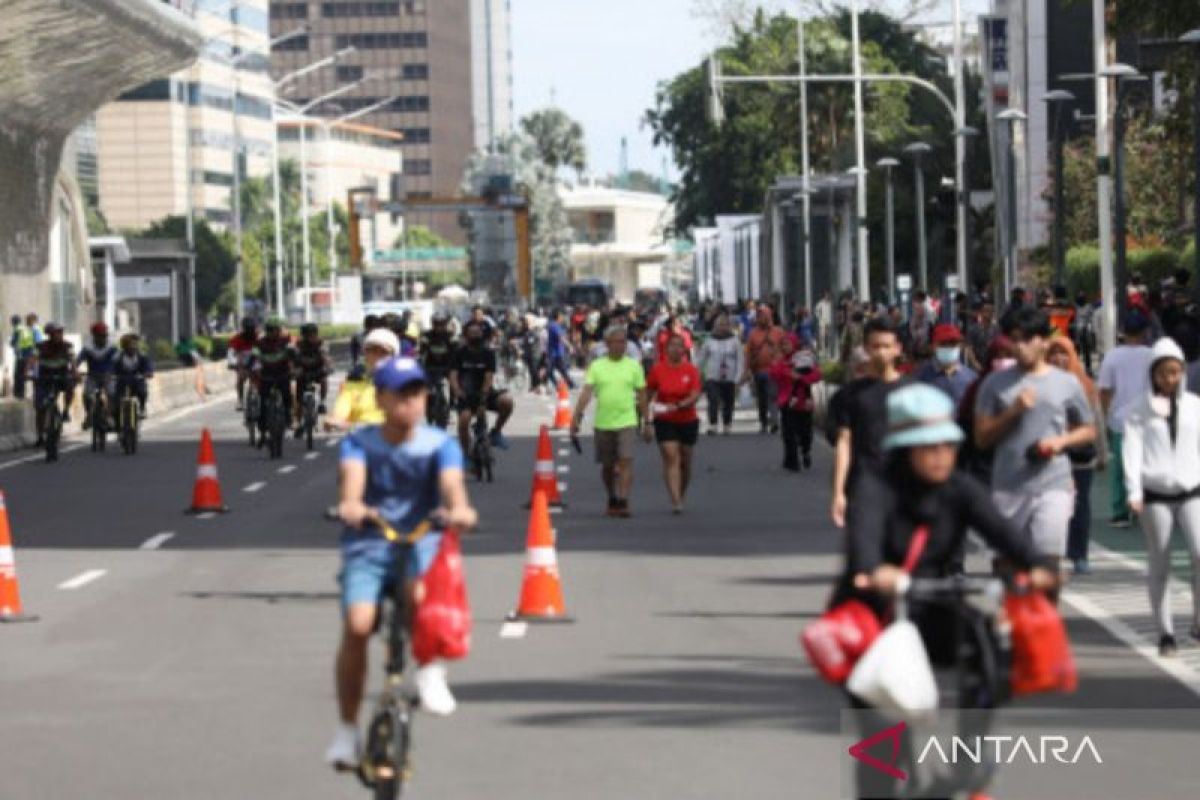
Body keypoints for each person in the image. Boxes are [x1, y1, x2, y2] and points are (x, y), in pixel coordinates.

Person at [837, 383, 1058, 800]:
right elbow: (863, 545)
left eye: (947, 445)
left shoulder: (959, 489)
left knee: (985, 646)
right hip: (879, 615)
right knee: (880, 737)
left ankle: (968, 759)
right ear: (905, 450)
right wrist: (874, 571)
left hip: (935, 604)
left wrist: (1039, 567)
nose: (940, 455)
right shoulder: (876, 487)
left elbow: (1005, 534)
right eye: (928, 446)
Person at [328, 356, 478, 767]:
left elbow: (451, 486)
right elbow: (353, 483)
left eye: (417, 393)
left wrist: (460, 511)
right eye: (401, 394)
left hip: (421, 543)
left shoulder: (439, 444)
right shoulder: (360, 443)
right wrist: (353, 506)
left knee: (418, 593)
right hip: (369, 545)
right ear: (380, 398)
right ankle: (346, 730)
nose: (410, 403)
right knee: (358, 626)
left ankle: (429, 671)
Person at [974, 307, 1097, 565]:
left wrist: (1059, 442)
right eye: (1014, 339)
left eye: (1027, 339)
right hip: (1008, 485)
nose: (1019, 346)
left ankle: (1046, 607)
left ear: (1043, 341)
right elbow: (982, 438)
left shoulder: (1066, 383)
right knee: (1006, 567)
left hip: (1053, 485)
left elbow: (1088, 429)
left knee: (1047, 567)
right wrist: (1012, 412)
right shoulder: (994, 384)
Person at [1122, 337, 1200, 656]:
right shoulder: (1138, 410)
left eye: (1175, 372)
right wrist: (1134, 490)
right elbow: (1131, 450)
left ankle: (1197, 622)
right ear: (1153, 374)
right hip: (1154, 494)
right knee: (1160, 561)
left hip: (1193, 489)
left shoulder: (1195, 405)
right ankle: (1165, 632)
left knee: (1199, 553)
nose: (1170, 379)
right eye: (1163, 373)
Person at [830, 319, 908, 528]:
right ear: (865, 349)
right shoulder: (849, 395)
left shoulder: (913, 392)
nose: (881, 352)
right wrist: (838, 493)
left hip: (904, 489)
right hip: (863, 487)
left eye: (886, 346)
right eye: (875, 347)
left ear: (898, 349)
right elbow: (844, 443)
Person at [571, 326, 648, 518]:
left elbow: (642, 394)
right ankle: (612, 495)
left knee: (625, 461)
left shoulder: (633, 366)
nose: (621, 346)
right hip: (603, 423)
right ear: (607, 344)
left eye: (624, 342)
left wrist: (648, 421)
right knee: (607, 466)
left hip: (627, 421)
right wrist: (577, 416)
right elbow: (587, 392)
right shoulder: (597, 366)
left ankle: (623, 499)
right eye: (617, 342)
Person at [1047, 336, 1106, 575]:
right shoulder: (1039, 383)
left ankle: (1079, 554)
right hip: (1050, 456)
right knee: (1052, 508)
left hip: (1081, 456)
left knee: (1080, 507)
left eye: (1064, 353)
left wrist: (1102, 452)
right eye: (1054, 353)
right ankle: (1052, 555)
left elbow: (1097, 419)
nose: (1059, 358)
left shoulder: (1085, 384)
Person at [1097, 312, 1156, 527]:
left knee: (1120, 469)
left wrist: (1103, 417)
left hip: (1120, 420)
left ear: (1122, 332)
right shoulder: (1153, 355)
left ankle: (1120, 511)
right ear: (1145, 332)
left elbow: (1104, 390)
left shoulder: (1112, 356)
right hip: (1149, 418)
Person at [645, 333, 702, 514]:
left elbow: (695, 394)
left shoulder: (691, 370)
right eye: (672, 346)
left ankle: (681, 492)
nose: (676, 349)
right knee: (671, 457)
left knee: (685, 461)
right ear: (666, 349)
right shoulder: (658, 370)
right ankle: (675, 500)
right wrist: (646, 420)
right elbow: (647, 394)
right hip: (664, 419)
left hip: (687, 419)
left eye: (679, 346)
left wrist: (679, 405)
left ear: (684, 349)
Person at [449, 320, 513, 455]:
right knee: (464, 420)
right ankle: (465, 454)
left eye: (478, 333)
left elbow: (488, 377)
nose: (475, 336)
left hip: (484, 392)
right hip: (466, 395)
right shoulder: (459, 353)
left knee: (507, 402)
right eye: (472, 333)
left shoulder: (488, 353)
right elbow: (453, 376)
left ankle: (496, 432)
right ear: (466, 335)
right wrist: (457, 391)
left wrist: (483, 401)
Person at [329, 329, 400, 432]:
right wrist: (337, 418)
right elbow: (344, 403)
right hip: (360, 439)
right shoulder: (355, 381)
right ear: (365, 354)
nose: (377, 356)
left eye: (383, 352)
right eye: (373, 351)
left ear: (394, 356)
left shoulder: (401, 382)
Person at [769, 338, 822, 471]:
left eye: (787, 344)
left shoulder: (804, 358)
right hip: (787, 402)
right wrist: (785, 370)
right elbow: (774, 374)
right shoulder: (782, 361)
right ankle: (791, 460)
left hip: (804, 403)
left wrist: (801, 378)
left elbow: (816, 375)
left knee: (805, 433)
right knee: (788, 433)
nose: (785, 347)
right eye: (783, 344)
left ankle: (805, 451)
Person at [696, 313, 744, 435]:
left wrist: (738, 378)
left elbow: (740, 360)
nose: (722, 327)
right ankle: (713, 424)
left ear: (728, 326)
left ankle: (727, 423)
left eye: (724, 324)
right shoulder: (709, 340)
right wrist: (696, 373)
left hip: (730, 376)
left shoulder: (734, 340)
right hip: (713, 375)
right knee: (713, 400)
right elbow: (701, 358)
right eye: (719, 325)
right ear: (715, 326)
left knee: (728, 401)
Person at [30, 322, 76, 446]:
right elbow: (33, 360)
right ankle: (40, 436)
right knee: (40, 408)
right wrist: (29, 373)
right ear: (49, 334)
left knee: (70, 387)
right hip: (45, 377)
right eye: (57, 332)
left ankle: (66, 410)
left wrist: (75, 372)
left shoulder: (68, 346)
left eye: (61, 332)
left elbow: (73, 361)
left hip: (62, 376)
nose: (60, 335)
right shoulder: (40, 346)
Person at [249, 319, 297, 438]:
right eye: (272, 330)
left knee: (287, 397)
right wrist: (252, 368)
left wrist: (295, 366)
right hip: (266, 377)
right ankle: (262, 427)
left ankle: (288, 421)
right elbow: (253, 358)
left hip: (283, 375)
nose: (275, 333)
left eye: (276, 330)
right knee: (263, 402)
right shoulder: (259, 343)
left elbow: (295, 354)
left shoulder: (285, 341)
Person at [743, 305, 787, 435]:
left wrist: (783, 361)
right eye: (759, 316)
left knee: (773, 396)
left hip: (774, 371)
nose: (760, 318)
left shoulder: (778, 332)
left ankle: (774, 422)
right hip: (758, 371)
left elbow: (786, 347)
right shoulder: (752, 334)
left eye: (763, 315)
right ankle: (763, 422)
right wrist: (747, 370)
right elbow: (748, 353)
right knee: (762, 399)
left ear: (769, 316)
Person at [916, 323, 977, 405]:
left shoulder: (971, 378)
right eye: (943, 344)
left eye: (953, 343)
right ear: (933, 347)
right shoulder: (921, 377)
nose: (948, 347)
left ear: (960, 346)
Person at [77, 322, 119, 430]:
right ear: (94, 336)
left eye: (104, 335)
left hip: (108, 377)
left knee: (112, 394)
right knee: (86, 395)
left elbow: (119, 361)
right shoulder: (88, 347)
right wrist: (74, 370)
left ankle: (109, 416)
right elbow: (78, 360)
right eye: (99, 336)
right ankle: (89, 415)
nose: (102, 338)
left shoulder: (112, 346)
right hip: (93, 376)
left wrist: (117, 372)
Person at [294, 323, 332, 434]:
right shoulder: (299, 344)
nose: (311, 337)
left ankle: (322, 402)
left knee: (324, 379)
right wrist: (294, 369)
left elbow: (326, 357)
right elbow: (294, 358)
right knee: (299, 400)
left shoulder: (322, 343)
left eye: (313, 334)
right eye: (307, 335)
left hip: (317, 370)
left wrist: (328, 366)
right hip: (303, 371)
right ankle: (299, 423)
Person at [111, 333, 155, 419]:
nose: (133, 347)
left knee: (142, 392)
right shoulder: (118, 357)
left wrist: (148, 372)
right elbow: (111, 367)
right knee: (116, 399)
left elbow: (148, 365)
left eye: (135, 345)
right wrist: (111, 375)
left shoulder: (141, 355)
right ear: (124, 346)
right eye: (131, 345)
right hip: (122, 382)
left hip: (137, 381)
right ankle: (115, 418)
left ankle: (142, 408)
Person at [10, 313, 43, 400]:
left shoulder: (32, 330)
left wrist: (34, 355)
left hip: (29, 357)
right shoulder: (27, 329)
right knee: (28, 376)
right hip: (26, 356)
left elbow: (38, 343)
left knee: (27, 376)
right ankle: (22, 395)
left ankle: (22, 395)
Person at [228, 317, 259, 410]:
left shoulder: (259, 338)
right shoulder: (236, 339)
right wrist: (232, 363)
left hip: (256, 364)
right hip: (242, 365)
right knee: (240, 379)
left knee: (259, 378)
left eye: (252, 329)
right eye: (248, 329)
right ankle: (240, 400)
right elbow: (231, 353)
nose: (250, 332)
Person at [546, 309, 574, 389]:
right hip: (554, 353)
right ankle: (568, 385)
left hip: (556, 353)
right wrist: (569, 346)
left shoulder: (556, 326)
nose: (563, 318)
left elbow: (562, 337)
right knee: (554, 371)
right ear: (558, 316)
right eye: (562, 316)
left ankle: (569, 385)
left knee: (554, 371)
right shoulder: (554, 325)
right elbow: (561, 338)